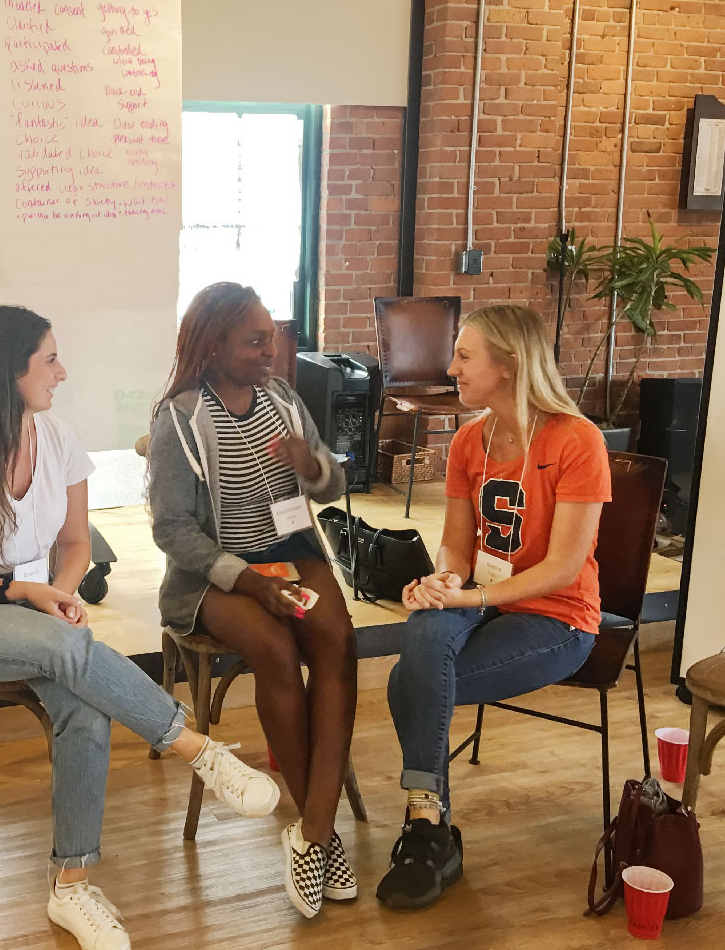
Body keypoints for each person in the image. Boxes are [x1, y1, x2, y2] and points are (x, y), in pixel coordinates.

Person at [0, 304, 280, 950]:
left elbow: (76, 544)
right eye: (49, 360)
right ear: (7, 373)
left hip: (20, 609)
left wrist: (63, 591)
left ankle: (71, 885)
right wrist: (23, 590)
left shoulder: (58, 442)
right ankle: (197, 749)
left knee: (83, 703)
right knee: (70, 648)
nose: (63, 372)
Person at [375, 303, 611, 911]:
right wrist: (439, 582)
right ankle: (431, 828)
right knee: (427, 622)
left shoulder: (576, 440)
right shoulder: (467, 441)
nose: (450, 367)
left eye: (464, 355)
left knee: (410, 682)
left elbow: (562, 567)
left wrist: (471, 594)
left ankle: (428, 829)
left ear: (508, 365)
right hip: (485, 597)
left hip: (559, 617)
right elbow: (457, 543)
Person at [146, 282, 357, 919]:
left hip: (292, 548)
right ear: (213, 348)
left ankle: (313, 833)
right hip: (215, 575)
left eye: (273, 337)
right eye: (255, 340)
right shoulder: (180, 417)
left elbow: (333, 483)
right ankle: (320, 828)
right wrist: (250, 581)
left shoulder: (284, 401)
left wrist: (313, 465)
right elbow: (171, 529)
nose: (272, 350)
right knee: (271, 646)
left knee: (339, 642)